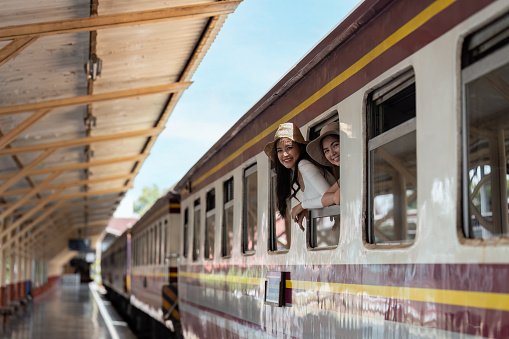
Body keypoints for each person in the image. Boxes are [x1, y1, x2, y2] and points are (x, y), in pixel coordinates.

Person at [264, 123, 334, 231]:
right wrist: (308, 207)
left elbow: (331, 198)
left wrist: (303, 205)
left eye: (289, 148)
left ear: (300, 148)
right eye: (280, 150)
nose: (285, 154)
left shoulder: (304, 165)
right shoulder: (297, 172)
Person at [306, 122, 340, 207]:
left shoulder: (353, 170)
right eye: (326, 151)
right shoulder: (344, 177)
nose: (332, 153)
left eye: (335, 145)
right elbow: (324, 199)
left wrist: (335, 197)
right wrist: (334, 197)